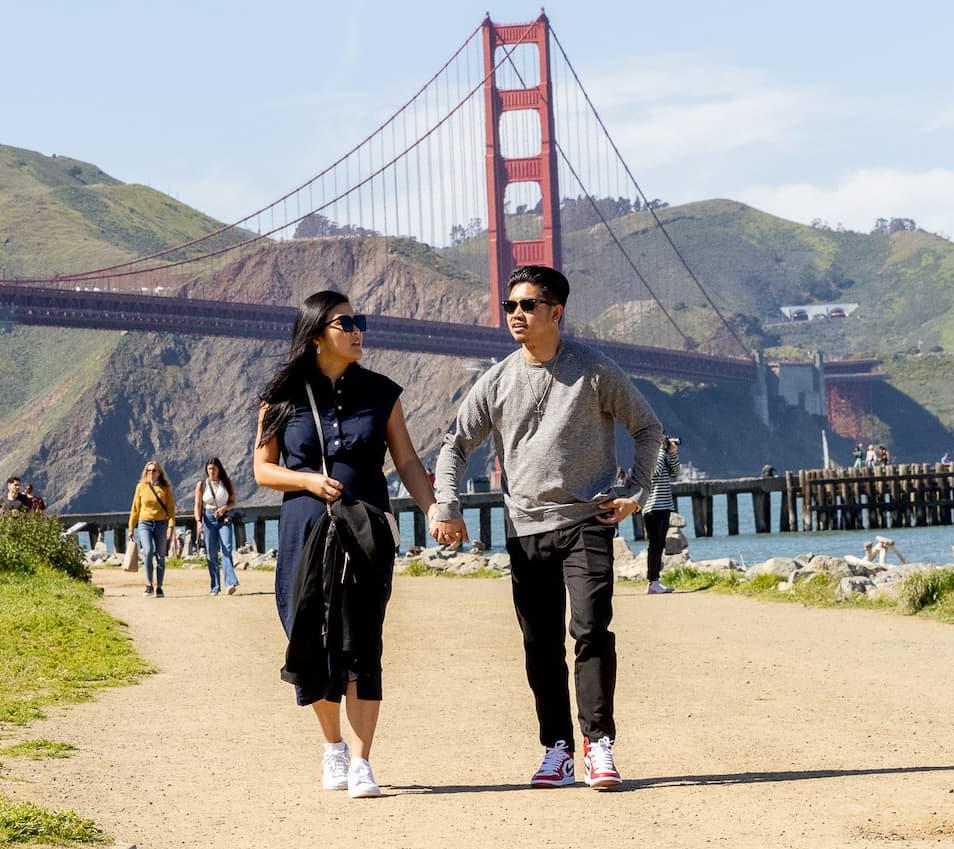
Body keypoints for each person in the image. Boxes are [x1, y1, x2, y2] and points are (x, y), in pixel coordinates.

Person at [432, 264, 664, 792]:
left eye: (527, 305)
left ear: (555, 312)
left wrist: (635, 490)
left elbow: (648, 428)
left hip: (587, 519)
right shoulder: (496, 380)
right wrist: (447, 503)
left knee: (589, 629)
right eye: (511, 306)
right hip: (526, 528)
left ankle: (598, 744)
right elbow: (454, 446)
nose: (516, 314)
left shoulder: (596, 371)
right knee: (539, 643)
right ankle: (556, 748)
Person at [255, 290, 437, 800]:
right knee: (310, 639)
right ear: (317, 335)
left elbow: (406, 462)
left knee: (363, 643)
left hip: (364, 532)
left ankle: (361, 761)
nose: (358, 330)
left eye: (361, 321)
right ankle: (331, 745)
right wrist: (309, 482)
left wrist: (435, 510)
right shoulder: (282, 398)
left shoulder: (382, 392)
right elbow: (261, 468)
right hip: (305, 531)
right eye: (345, 322)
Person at [127, 460, 175, 598]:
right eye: (148, 470)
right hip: (144, 523)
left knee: (160, 556)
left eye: (154, 470)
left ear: (159, 473)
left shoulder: (166, 488)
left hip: (161, 524)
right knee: (148, 552)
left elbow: (171, 510)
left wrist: (170, 527)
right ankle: (149, 585)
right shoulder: (140, 487)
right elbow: (135, 509)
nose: (151, 473)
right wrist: (131, 528)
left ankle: (159, 587)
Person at [642, 433, 681, 595]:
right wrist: (660, 450)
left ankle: (655, 581)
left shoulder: (662, 454)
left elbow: (675, 472)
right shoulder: (648, 454)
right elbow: (655, 472)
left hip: (664, 505)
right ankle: (653, 581)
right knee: (655, 544)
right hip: (652, 507)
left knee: (660, 544)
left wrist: (672, 453)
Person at [196, 457, 242, 597]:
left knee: (227, 549)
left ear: (219, 469)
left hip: (224, 518)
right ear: (206, 470)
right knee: (211, 553)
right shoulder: (201, 485)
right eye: (209, 469)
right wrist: (199, 521)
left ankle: (230, 583)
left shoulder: (226, 483)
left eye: (214, 469)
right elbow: (198, 504)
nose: (212, 471)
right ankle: (215, 586)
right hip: (208, 519)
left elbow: (233, 502)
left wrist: (224, 508)